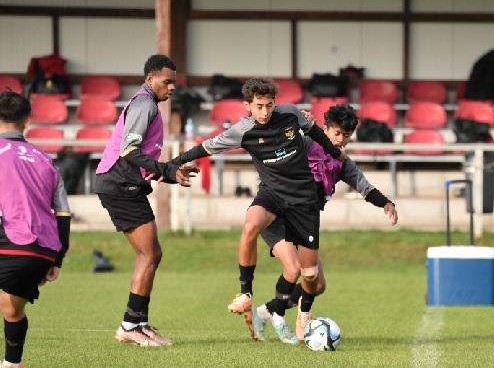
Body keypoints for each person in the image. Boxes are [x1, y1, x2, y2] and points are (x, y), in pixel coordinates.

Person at [169, 77, 346, 341]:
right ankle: (245, 293)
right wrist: (171, 165)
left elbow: (316, 133)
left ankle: (303, 312)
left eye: (269, 105)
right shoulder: (242, 130)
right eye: (259, 106)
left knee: (311, 276)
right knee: (251, 223)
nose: (265, 112)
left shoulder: (291, 114)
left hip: (302, 199)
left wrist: (336, 153)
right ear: (247, 105)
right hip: (272, 194)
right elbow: (205, 147)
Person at [245, 103, 398, 343]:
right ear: (324, 129)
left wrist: (386, 203)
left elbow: (364, 187)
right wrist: (299, 122)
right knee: (295, 270)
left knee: (317, 285)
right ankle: (291, 317)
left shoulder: (343, 163)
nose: (341, 141)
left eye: (346, 136)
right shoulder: (305, 145)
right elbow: (281, 136)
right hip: (279, 216)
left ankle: (263, 313)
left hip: (303, 222)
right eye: (336, 134)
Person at [94, 54, 199, 347]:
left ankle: (138, 322)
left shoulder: (147, 104)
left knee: (152, 254)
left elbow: (140, 158)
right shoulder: (144, 104)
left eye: (174, 82)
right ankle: (130, 325)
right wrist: (167, 169)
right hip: (119, 183)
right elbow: (129, 151)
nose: (172, 87)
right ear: (150, 78)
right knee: (149, 254)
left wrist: (166, 172)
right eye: (167, 82)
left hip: (124, 183)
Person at [0, 91, 71, 368]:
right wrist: (57, 258)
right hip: (37, 252)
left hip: (5, 242)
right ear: (27, 121)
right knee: (11, 309)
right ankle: (12, 364)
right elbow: (63, 213)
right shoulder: (45, 160)